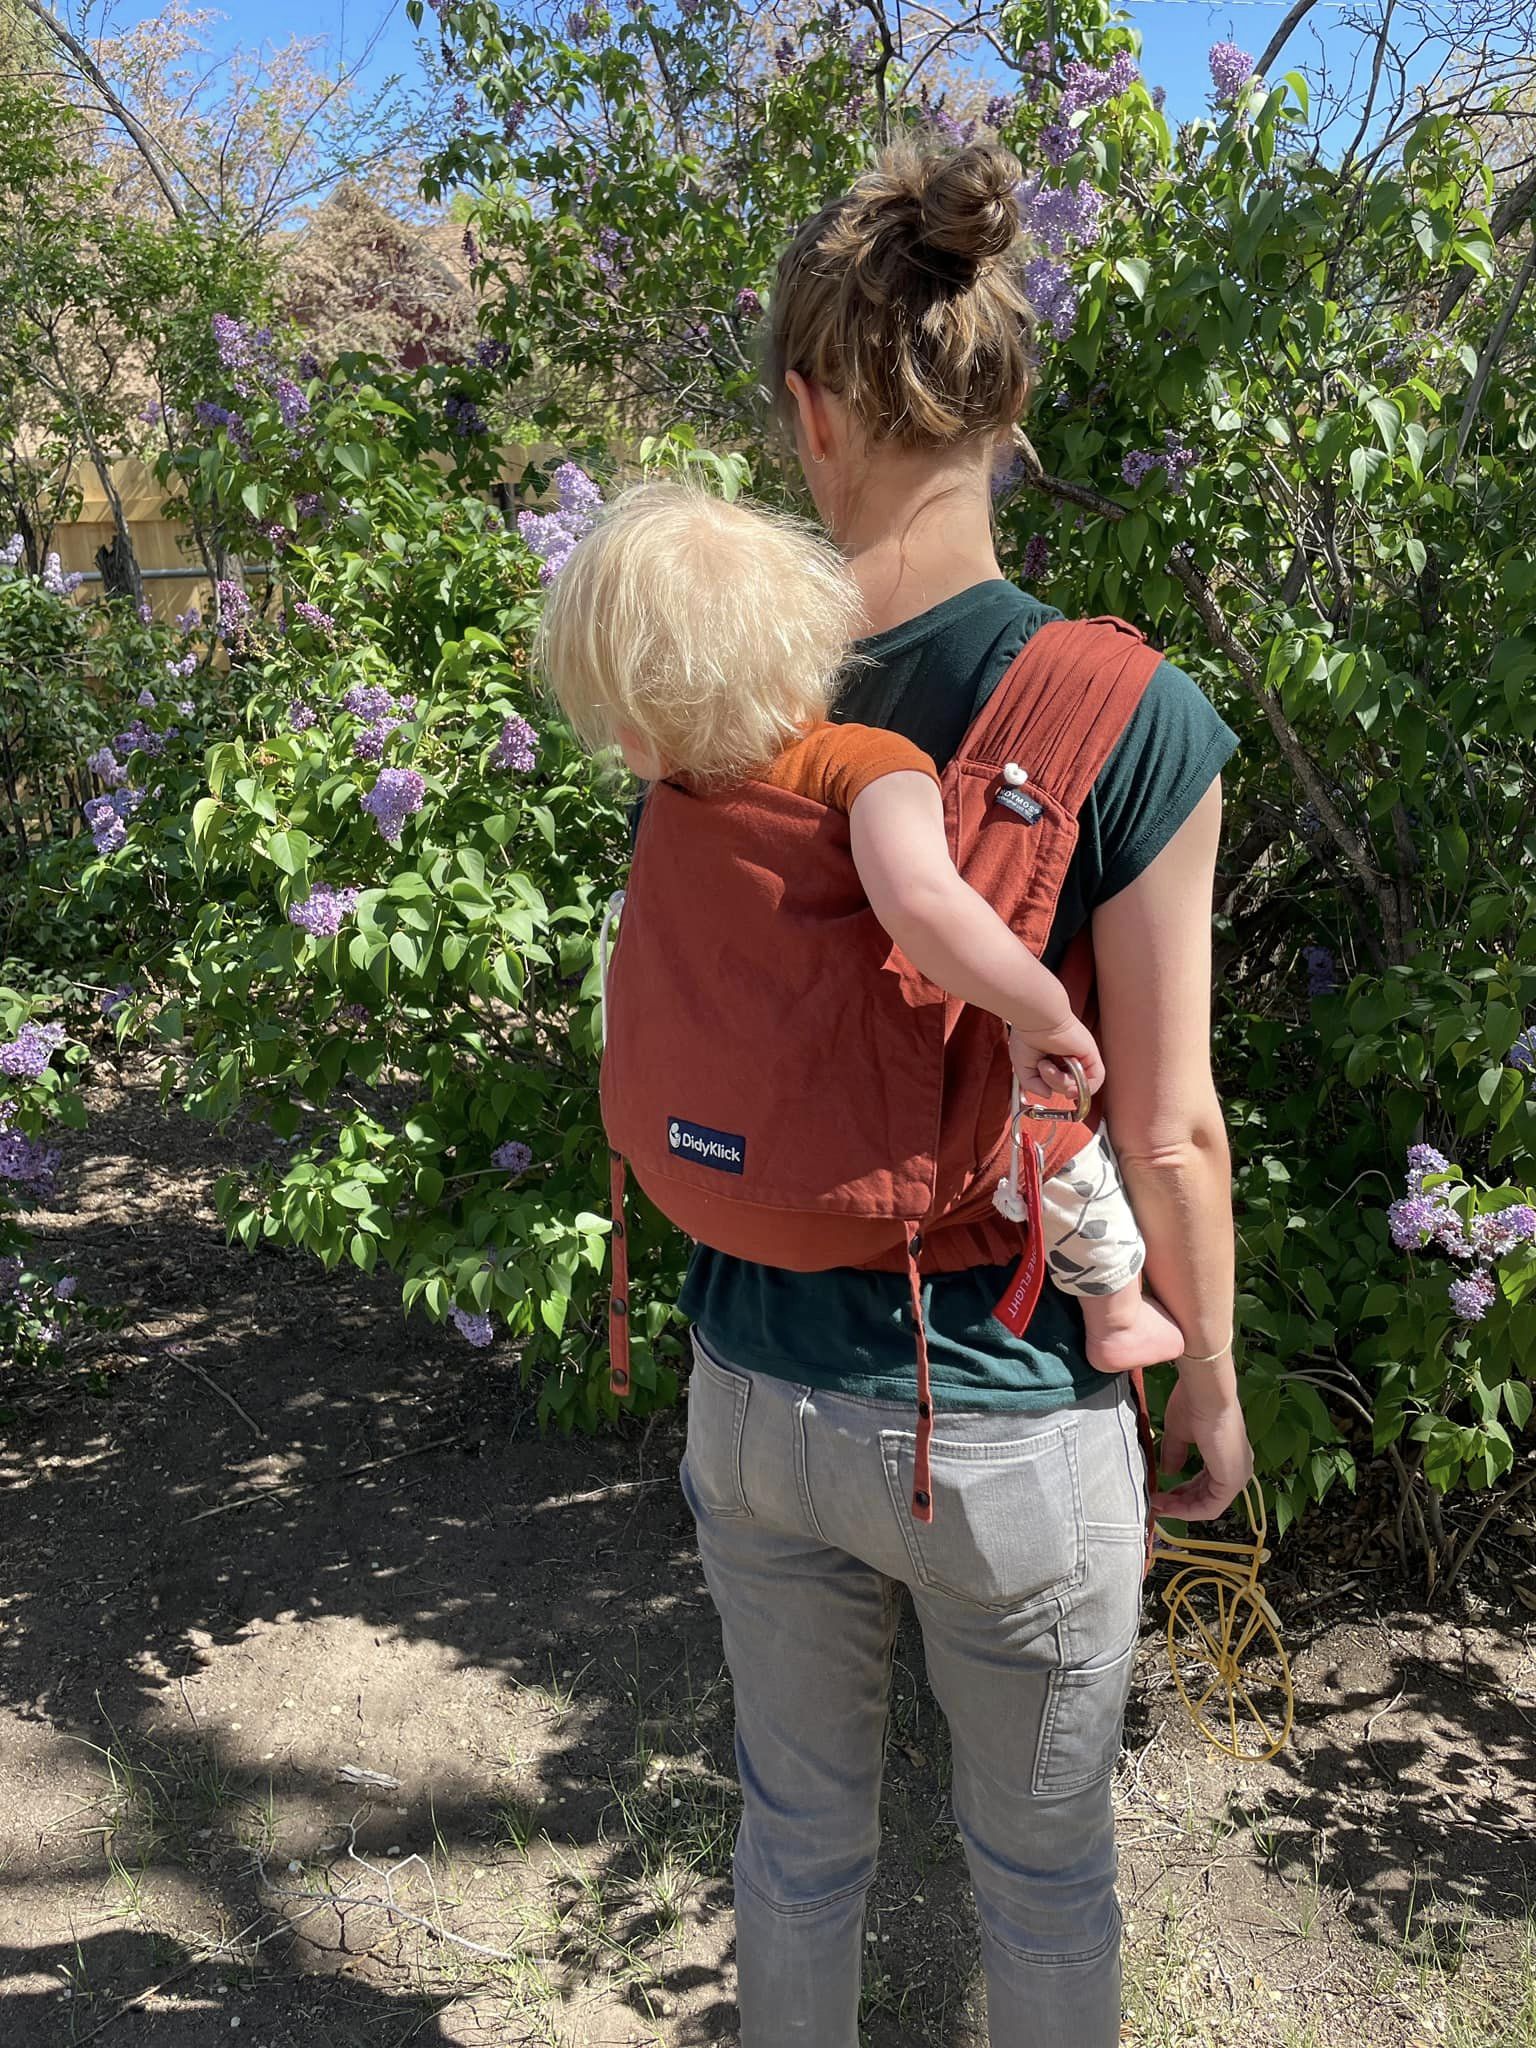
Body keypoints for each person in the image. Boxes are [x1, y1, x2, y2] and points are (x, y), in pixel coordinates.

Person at [661, 135, 1250, 2047]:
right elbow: (1167, 1125)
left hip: (751, 1380)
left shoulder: (720, 693)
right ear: (1007, 415)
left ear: (803, 411)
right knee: (1044, 1868)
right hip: (996, 1410)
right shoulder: (1128, 713)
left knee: (800, 1836)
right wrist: (1209, 1386)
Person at [541, 481, 1184, 1376]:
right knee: (1057, 1143)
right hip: (859, 1201)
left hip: (696, 1188)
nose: (614, 736)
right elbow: (926, 907)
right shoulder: (865, 766)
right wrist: (1045, 1014)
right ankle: (1116, 1315)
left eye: (618, 710)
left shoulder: (680, 799)